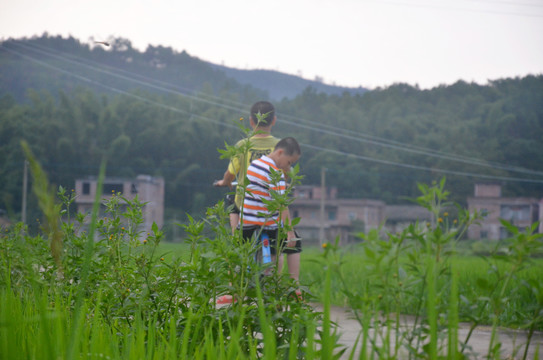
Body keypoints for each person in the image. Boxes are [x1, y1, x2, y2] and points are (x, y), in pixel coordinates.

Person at [214, 102, 302, 303]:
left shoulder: (243, 145)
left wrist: (225, 182)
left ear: (251, 121)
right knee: (285, 242)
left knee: (238, 241)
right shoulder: (281, 146)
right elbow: (285, 178)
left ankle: (233, 289)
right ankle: (285, 285)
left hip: (247, 206)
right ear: (275, 120)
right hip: (270, 209)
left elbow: (230, 173)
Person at [240, 137, 301, 271]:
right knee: (292, 244)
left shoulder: (254, 164)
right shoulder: (275, 173)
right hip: (267, 224)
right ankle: (290, 283)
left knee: (240, 255)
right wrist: (289, 232)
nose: (288, 167)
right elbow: (281, 204)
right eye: (289, 162)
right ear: (280, 153)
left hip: (246, 222)